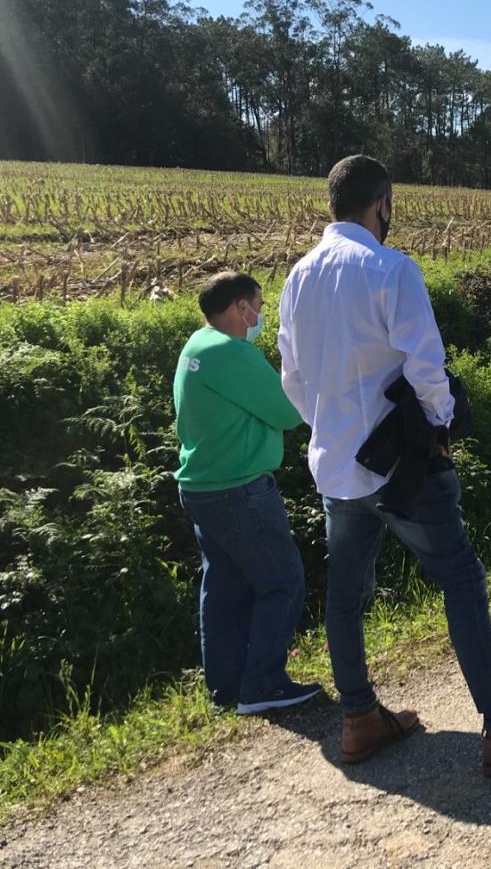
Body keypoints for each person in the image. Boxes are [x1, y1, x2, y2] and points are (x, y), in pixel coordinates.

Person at [278, 154, 491, 772]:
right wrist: (445, 423)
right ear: (383, 203)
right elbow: (425, 365)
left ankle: (360, 720)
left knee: (345, 593)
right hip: (405, 465)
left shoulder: (296, 278)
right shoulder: (392, 269)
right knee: (462, 581)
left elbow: (292, 377)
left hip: (336, 468)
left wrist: (332, 429)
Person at [173, 271, 320, 714]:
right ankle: (264, 686)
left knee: (223, 586)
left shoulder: (196, 346)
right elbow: (288, 411)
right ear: (240, 307)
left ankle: (225, 688)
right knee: (284, 582)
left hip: (202, 486)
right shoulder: (232, 353)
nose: (260, 314)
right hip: (239, 489)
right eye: (257, 304)